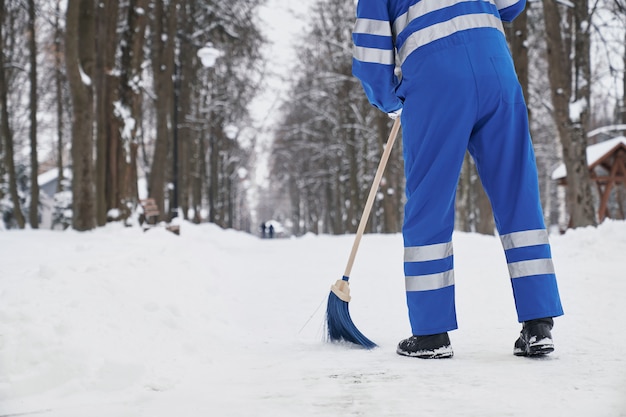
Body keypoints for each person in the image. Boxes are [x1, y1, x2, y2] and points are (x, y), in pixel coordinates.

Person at [352, 0, 564, 358]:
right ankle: (538, 323)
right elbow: (512, 4)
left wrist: (390, 100)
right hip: (496, 68)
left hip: (435, 81)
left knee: (430, 202)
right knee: (518, 193)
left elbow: (370, 52)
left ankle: (432, 333)